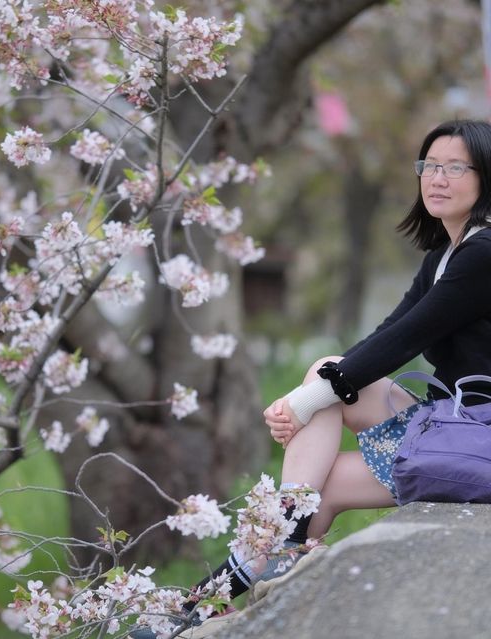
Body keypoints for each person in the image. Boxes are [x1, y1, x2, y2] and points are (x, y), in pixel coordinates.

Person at [131, 118, 491, 638]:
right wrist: (311, 394)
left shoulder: (483, 254)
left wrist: (304, 403)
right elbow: (385, 332)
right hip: (455, 425)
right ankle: (251, 574)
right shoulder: (445, 254)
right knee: (317, 474)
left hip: (477, 434)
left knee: (323, 393)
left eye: (456, 167)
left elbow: (403, 342)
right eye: (430, 165)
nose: (438, 177)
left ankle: (221, 588)